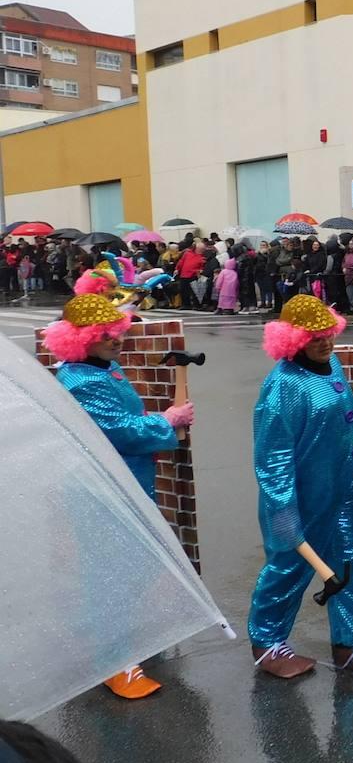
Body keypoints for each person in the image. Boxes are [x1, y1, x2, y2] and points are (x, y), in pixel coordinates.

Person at [250, 294, 353, 679]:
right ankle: (267, 642)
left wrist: (347, 453)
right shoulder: (283, 386)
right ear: (293, 339)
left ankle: (352, 644)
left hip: (342, 490)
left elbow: (335, 422)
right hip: (299, 501)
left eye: (328, 333)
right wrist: (284, 513)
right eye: (314, 336)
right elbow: (273, 459)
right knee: (287, 569)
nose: (325, 342)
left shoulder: (331, 365)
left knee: (350, 561)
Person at [42, 294, 195, 698]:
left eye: (117, 330)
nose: (116, 338)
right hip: (101, 491)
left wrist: (158, 422)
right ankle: (114, 662)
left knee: (132, 567)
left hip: (126, 482)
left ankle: (108, 637)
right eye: (104, 333)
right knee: (109, 574)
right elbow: (119, 432)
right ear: (81, 338)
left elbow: (125, 420)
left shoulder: (104, 367)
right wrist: (166, 421)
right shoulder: (80, 380)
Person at [174, 240, 206, 310]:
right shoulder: (187, 253)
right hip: (184, 274)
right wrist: (177, 269)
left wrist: (201, 271)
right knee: (183, 290)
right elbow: (181, 261)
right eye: (200, 249)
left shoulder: (203, 257)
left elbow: (202, 267)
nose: (201, 250)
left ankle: (197, 305)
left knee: (195, 291)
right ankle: (186, 304)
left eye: (202, 249)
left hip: (194, 275)